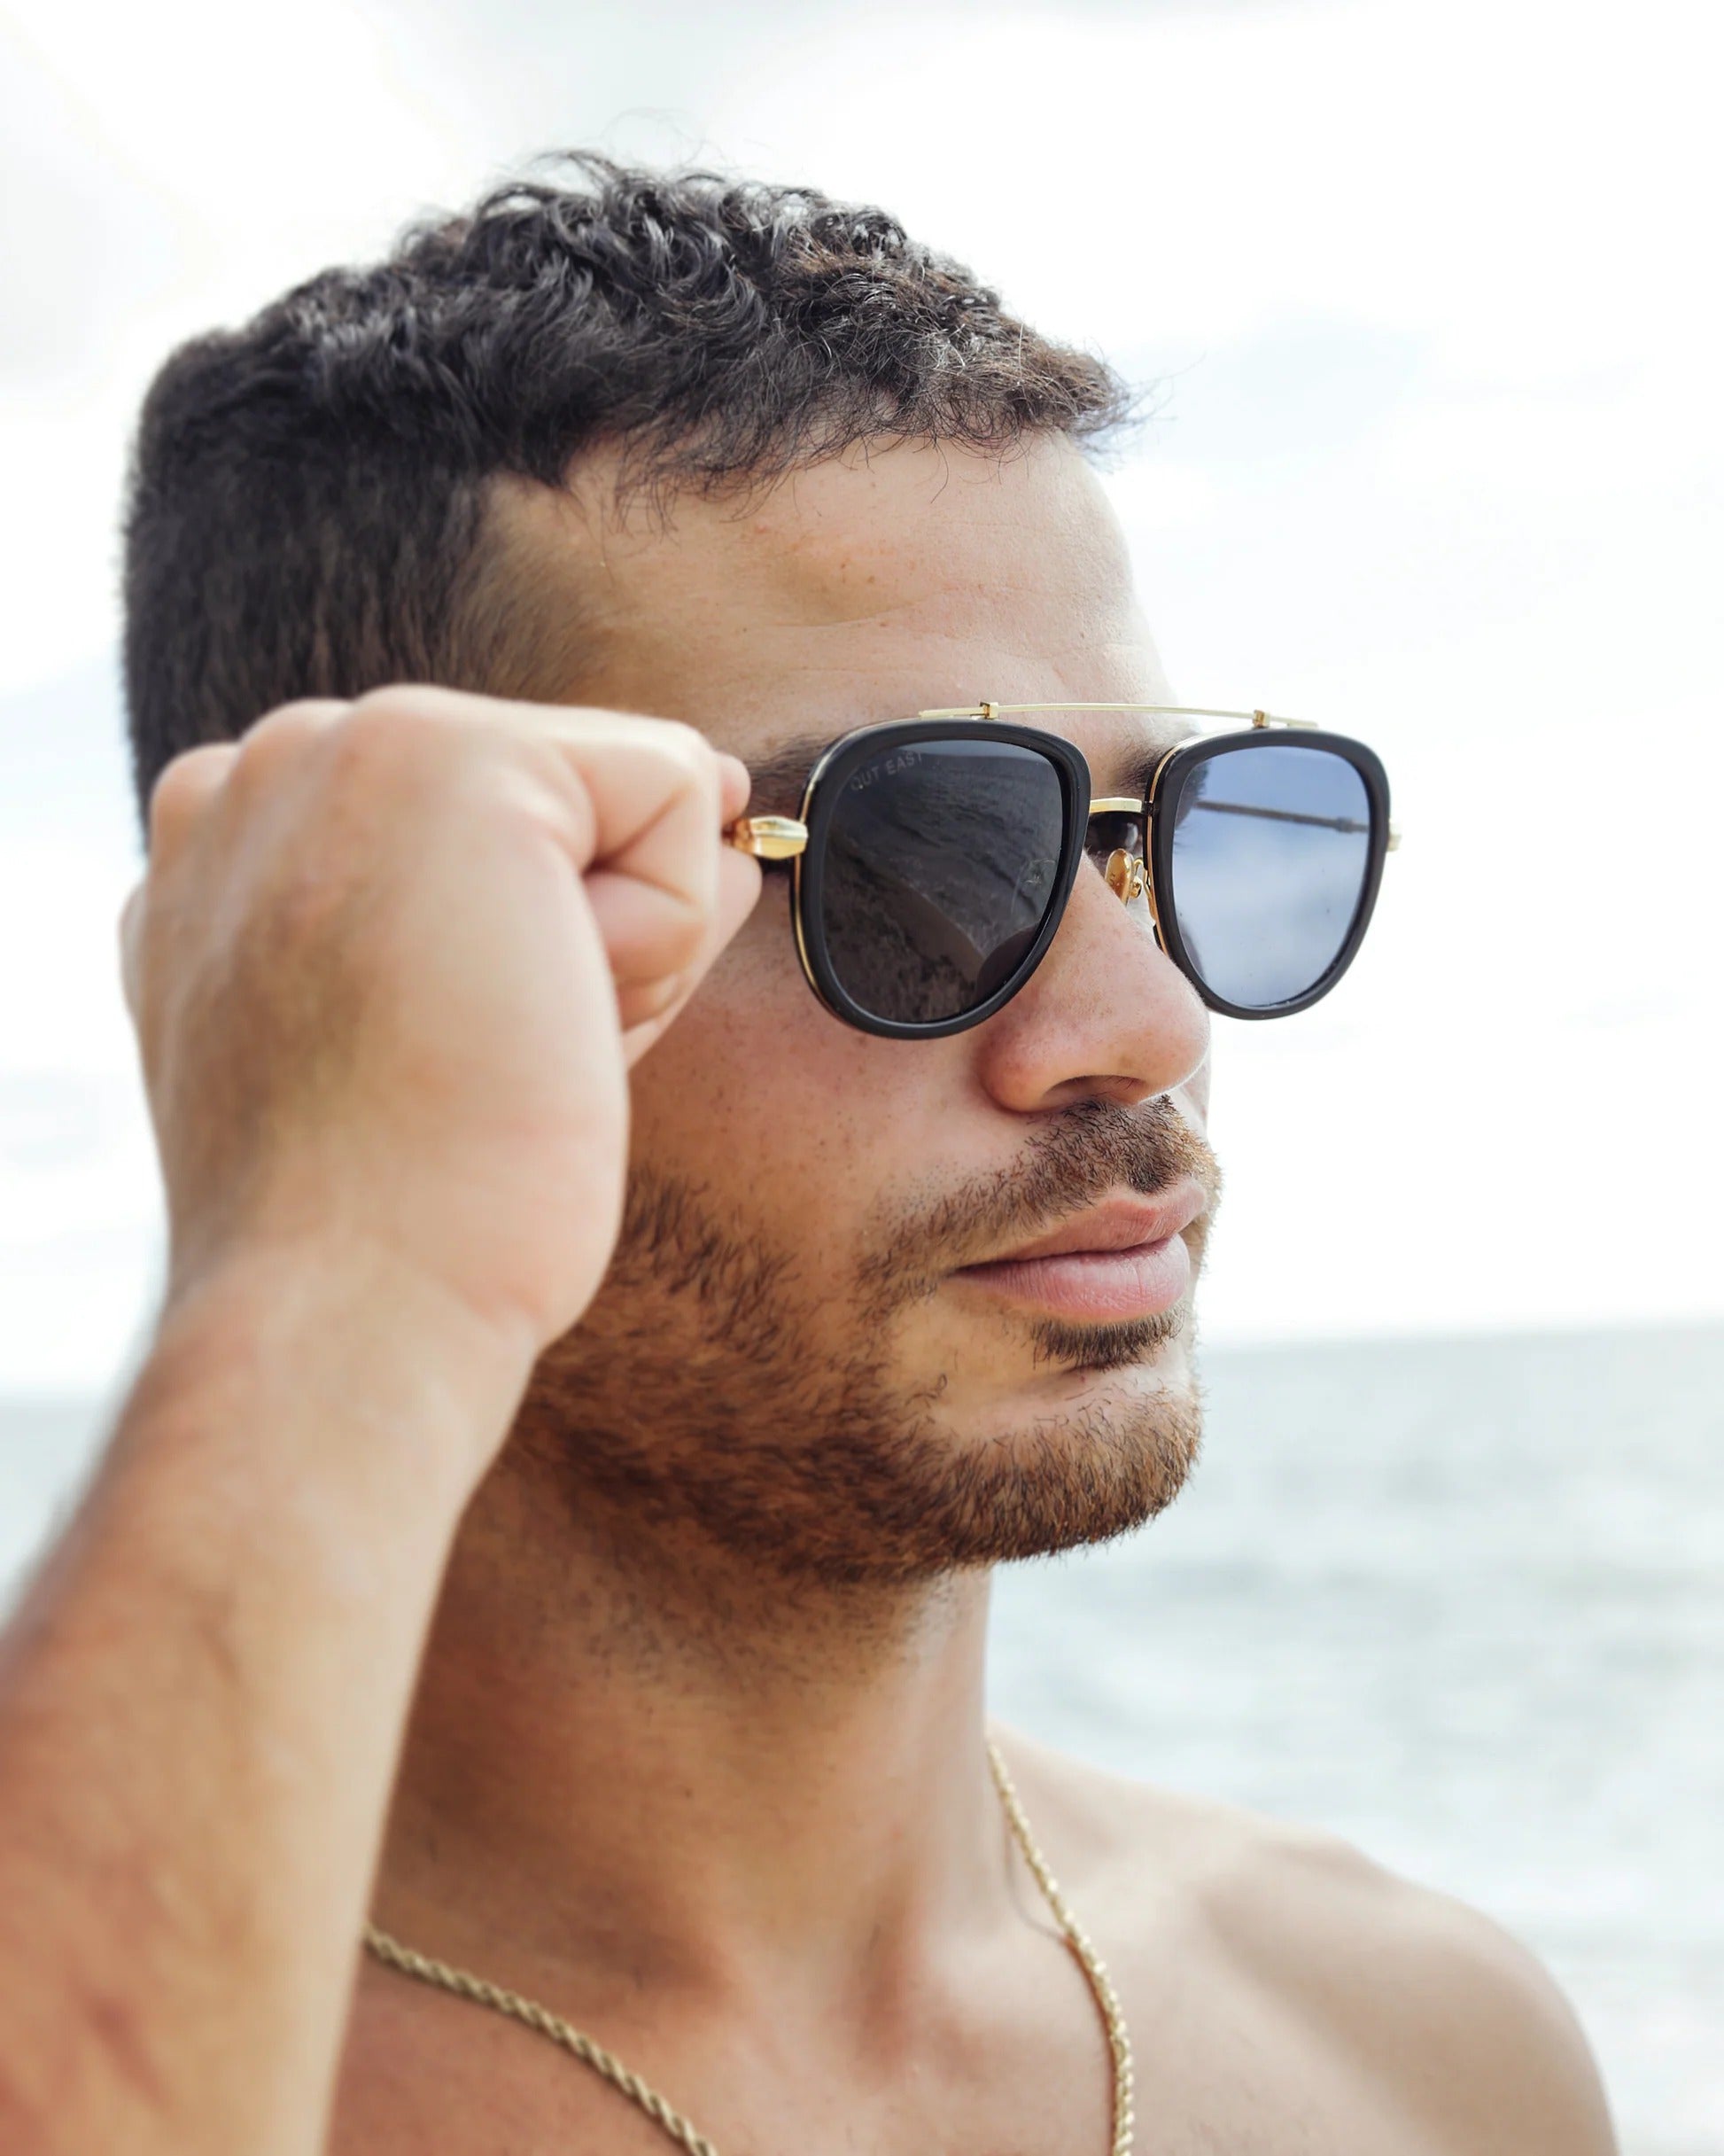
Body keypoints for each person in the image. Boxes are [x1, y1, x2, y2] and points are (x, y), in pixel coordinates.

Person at [0, 153, 1616, 2154]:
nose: (1144, 1023)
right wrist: (329, 1273)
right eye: (917, 853)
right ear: (331, 935)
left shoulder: (1420, 2059)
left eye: (1159, 830)